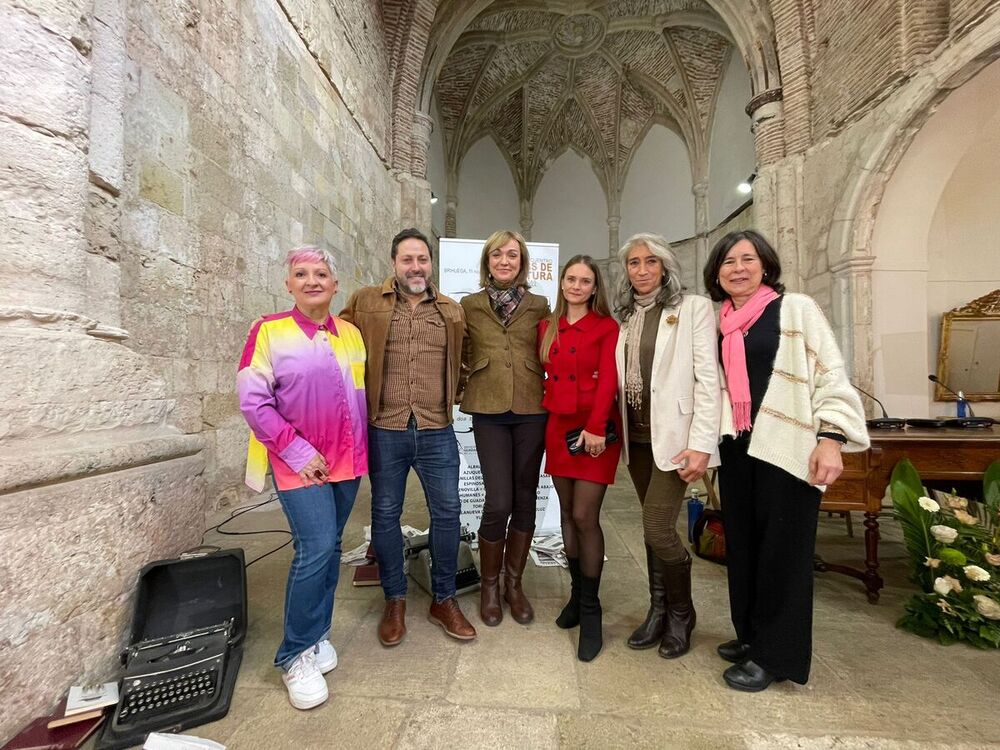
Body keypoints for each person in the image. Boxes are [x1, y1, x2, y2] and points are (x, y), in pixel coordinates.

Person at [703, 230, 868, 691]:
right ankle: (752, 636)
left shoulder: (794, 308)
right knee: (745, 547)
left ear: (765, 265)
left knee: (783, 554)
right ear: (716, 273)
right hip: (738, 449)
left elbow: (830, 373)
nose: (738, 268)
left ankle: (776, 656)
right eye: (728, 261)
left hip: (788, 449)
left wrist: (831, 438)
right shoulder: (723, 321)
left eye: (747, 259)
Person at [237, 246, 367, 710]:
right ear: (288, 283)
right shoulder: (268, 331)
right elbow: (254, 402)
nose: (313, 281)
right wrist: (295, 450)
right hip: (299, 464)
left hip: (346, 464)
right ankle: (294, 654)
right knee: (314, 549)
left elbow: (356, 399)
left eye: (322, 274)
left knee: (331, 545)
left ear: (335, 285)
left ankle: (317, 634)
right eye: (301, 274)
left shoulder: (350, 334)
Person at [340, 227, 476, 647]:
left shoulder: (452, 311)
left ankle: (444, 598)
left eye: (422, 259)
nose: (415, 267)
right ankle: (394, 598)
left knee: (448, 512)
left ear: (431, 264)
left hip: (437, 429)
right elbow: (335, 343)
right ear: (394, 263)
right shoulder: (365, 302)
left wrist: (456, 394)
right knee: (384, 514)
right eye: (407, 260)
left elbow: (467, 359)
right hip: (385, 428)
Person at [613, 233, 722, 659]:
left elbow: (708, 382)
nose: (641, 270)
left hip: (676, 438)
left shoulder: (691, 308)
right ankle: (658, 610)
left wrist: (701, 444)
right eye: (634, 263)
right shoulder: (625, 317)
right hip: (637, 439)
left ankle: (682, 613)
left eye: (650, 262)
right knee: (651, 526)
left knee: (657, 527)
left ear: (665, 266)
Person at [460, 231, 550, 626]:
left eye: (512, 255)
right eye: (497, 254)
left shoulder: (540, 304)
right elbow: (461, 352)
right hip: (488, 407)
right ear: (487, 261)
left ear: (522, 262)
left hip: (532, 406)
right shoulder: (470, 304)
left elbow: (551, 348)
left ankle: (515, 584)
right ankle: (490, 585)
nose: (505, 261)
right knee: (498, 501)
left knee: (525, 496)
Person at [538, 255, 620, 662]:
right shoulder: (547, 325)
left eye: (584, 281)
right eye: (570, 278)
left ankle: (592, 611)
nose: (576, 286)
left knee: (587, 516)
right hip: (558, 427)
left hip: (594, 431)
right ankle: (576, 596)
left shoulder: (606, 327)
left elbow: (609, 380)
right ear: (562, 283)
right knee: (567, 514)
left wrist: (597, 428)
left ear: (594, 287)